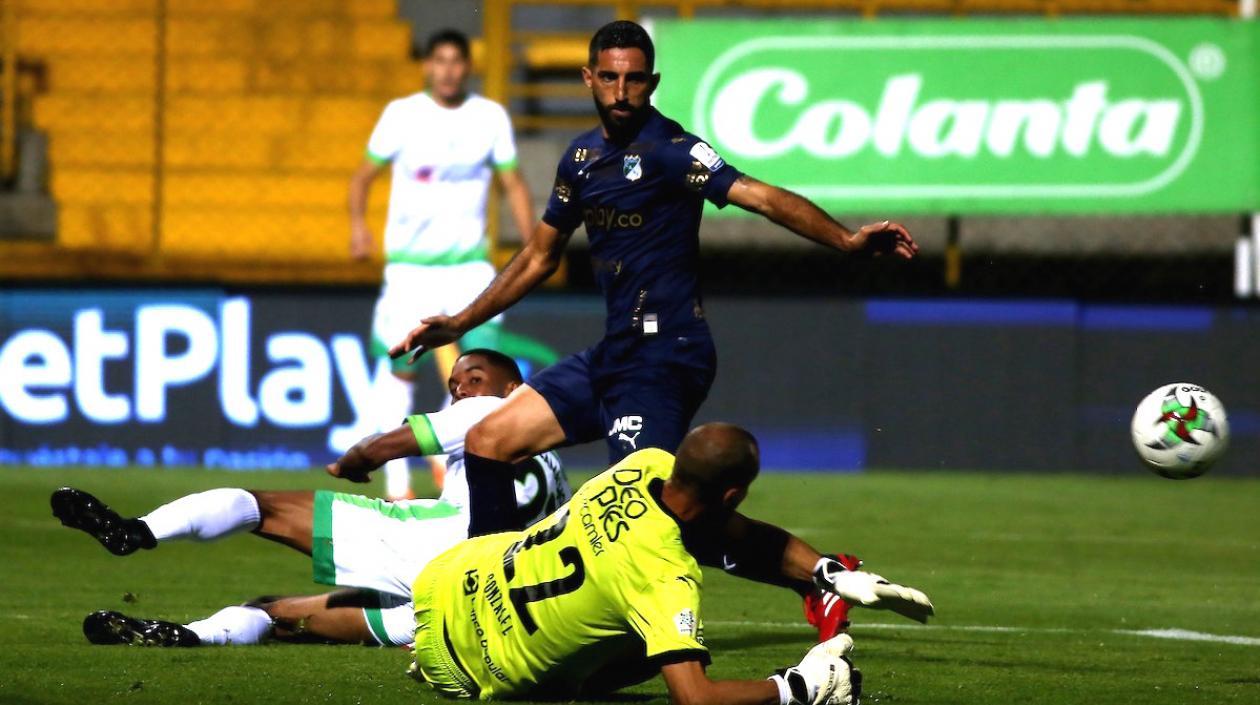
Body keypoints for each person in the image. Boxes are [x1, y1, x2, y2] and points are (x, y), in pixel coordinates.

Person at [389, 20, 918, 638]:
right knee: (487, 442)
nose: (620, 92)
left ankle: (821, 574)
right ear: (588, 78)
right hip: (613, 354)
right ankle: (483, 600)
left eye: (634, 79)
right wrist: (458, 321)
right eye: (608, 78)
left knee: (660, 517)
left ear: (652, 82)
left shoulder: (672, 149)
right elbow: (538, 257)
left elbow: (759, 195)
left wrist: (847, 241)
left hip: (667, 355)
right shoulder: (581, 160)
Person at [52, 350, 571, 649]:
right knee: (280, 615)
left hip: (431, 548)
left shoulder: (488, 410)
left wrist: (352, 462)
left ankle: (135, 532)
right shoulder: (554, 456)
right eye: (455, 383)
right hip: (483, 599)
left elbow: (389, 445)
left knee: (262, 505)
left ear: (512, 386)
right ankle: (188, 636)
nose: (461, 391)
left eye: (474, 379)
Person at [409, 423, 930, 702]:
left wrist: (826, 574)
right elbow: (695, 700)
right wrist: (798, 687)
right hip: (473, 674)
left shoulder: (643, 464)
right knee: (662, 645)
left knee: (635, 621)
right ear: (733, 494)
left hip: (446, 582)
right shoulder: (667, 578)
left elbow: (741, 538)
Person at [348, 28, 548, 500]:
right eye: (439, 60)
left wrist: (535, 243)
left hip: (469, 268)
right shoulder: (402, 115)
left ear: (467, 67)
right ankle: (398, 483)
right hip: (409, 269)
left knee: (481, 372)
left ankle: (444, 455)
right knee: (400, 369)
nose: (448, 70)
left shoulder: (489, 117)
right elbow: (362, 177)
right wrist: (359, 226)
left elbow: (513, 184)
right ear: (428, 66)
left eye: (456, 61)